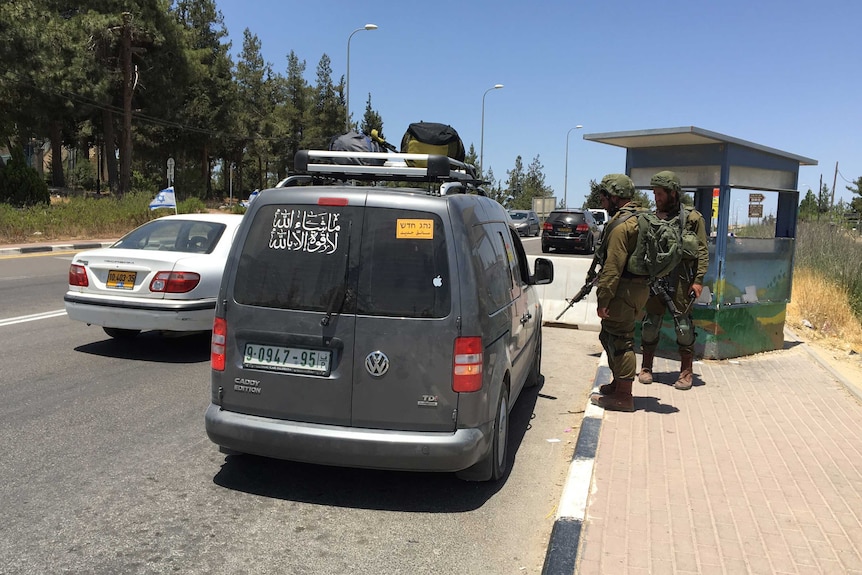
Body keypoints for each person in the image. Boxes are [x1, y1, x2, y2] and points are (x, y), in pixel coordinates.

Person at [638, 171, 709, 390]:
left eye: (660, 193)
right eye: (654, 193)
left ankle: (686, 371)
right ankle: (646, 367)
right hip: (655, 280)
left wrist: (698, 281)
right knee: (650, 325)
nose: (656, 197)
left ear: (673, 193)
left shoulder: (693, 219)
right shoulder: (650, 218)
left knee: (684, 327)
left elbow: (703, 252)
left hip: (681, 281)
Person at [589, 174, 651, 412]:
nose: (602, 202)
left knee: (621, 340)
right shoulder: (641, 217)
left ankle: (624, 396)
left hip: (623, 290)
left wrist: (603, 299)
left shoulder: (622, 225)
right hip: (636, 288)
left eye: (603, 197)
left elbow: (613, 267)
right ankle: (618, 384)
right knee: (610, 335)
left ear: (614, 196)